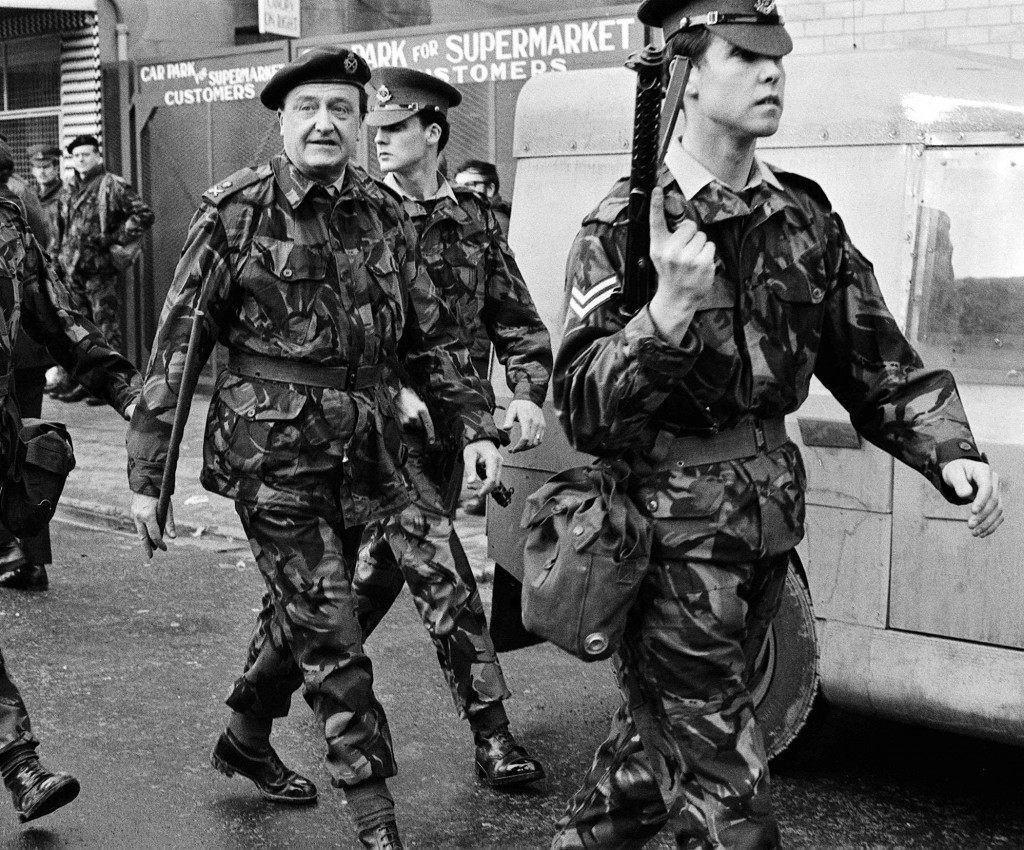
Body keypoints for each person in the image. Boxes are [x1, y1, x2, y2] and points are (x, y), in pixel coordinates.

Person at [550, 1, 1004, 847]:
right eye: (745, 56)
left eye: (779, 59)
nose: (771, 74)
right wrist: (664, 317)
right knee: (733, 805)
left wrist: (949, 449)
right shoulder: (625, 226)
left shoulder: (802, 216)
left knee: (647, 769)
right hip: (668, 550)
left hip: (763, 540)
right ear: (684, 79)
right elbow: (579, 407)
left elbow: (877, 360)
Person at [126, 48, 502, 850]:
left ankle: (246, 733)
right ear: (283, 120)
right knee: (331, 629)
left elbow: (432, 334)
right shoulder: (235, 212)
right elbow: (175, 349)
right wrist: (146, 479)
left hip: (371, 449)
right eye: (308, 109)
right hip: (273, 456)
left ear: (362, 122)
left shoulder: (380, 211)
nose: (325, 122)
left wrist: (475, 427)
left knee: (318, 609)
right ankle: (375, 816)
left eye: (341, 108)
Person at [356, 68, 553, 788]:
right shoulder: (360, 216)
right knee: (445, 573)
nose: (378, 143)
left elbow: (518, 323)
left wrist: (526, 394)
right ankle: (493, 735)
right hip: (381, 436)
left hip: (454, 436)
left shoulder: (473, 221)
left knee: (365, 587)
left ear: (432, 133)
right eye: (373, 132)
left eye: (394, 130)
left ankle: (252, 712)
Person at [0, 138, 140, 822]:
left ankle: (18, 763)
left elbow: (59, 318)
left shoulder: (6, 224)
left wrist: (126, 391)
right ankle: (18, 760)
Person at [0, 144, 65, 590]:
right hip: (29, 338)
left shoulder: (13, 198)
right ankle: (29, 558)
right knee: (28, 449)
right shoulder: (23, 191)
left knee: (17, 446)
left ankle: (15, 554)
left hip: (15, 334)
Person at [53, 134, 154, 404]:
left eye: (86, 154)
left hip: (99, 272)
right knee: (78, 331)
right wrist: (54, 262)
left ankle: (113, 387)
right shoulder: (69, 188)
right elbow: (60, 231)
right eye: (76, 156)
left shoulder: (111, 185)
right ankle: (86, 383)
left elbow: (144, 214)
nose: (81, 160)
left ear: (98, 155)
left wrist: (112, 237)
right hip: (71, 272)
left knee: (105, 329)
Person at [453, 159, 511, 236]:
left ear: (490, 189)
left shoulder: (497, 222)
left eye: (469, 185)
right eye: (458, 187)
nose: (461, 191)